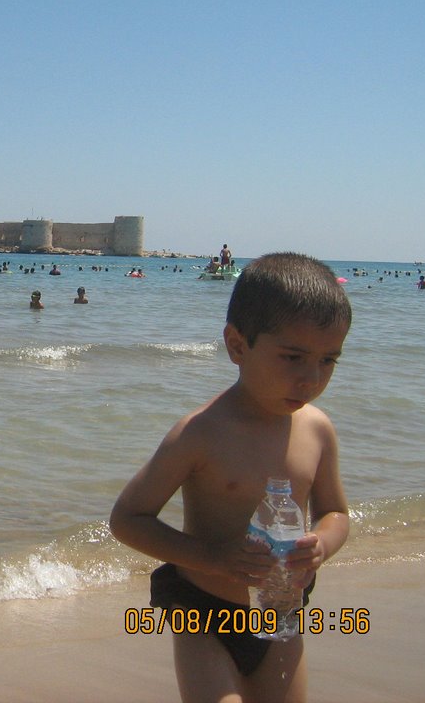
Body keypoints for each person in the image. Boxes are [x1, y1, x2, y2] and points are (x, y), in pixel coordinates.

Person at [109, 252, 352, 703]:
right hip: (204, 614)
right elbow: (128, 519)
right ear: (238, 346)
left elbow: (335, 511)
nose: (311, 378)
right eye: (294, 357)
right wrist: (212, 558)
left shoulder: (317, 429)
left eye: (328, 360)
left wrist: (322, 543)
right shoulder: (200, 433)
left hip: (280, 611)